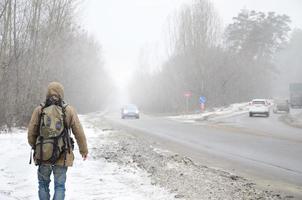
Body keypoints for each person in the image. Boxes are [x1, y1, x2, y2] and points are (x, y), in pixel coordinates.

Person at [28, 82, 88, 200]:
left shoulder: (39, 109)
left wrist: (36, 146)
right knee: (60, 186)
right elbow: (78, 132)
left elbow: (31, 132)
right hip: (63, 154)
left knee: (43, 184)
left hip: (43, 154)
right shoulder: (69, 110)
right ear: (62, 93)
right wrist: (83, 150)